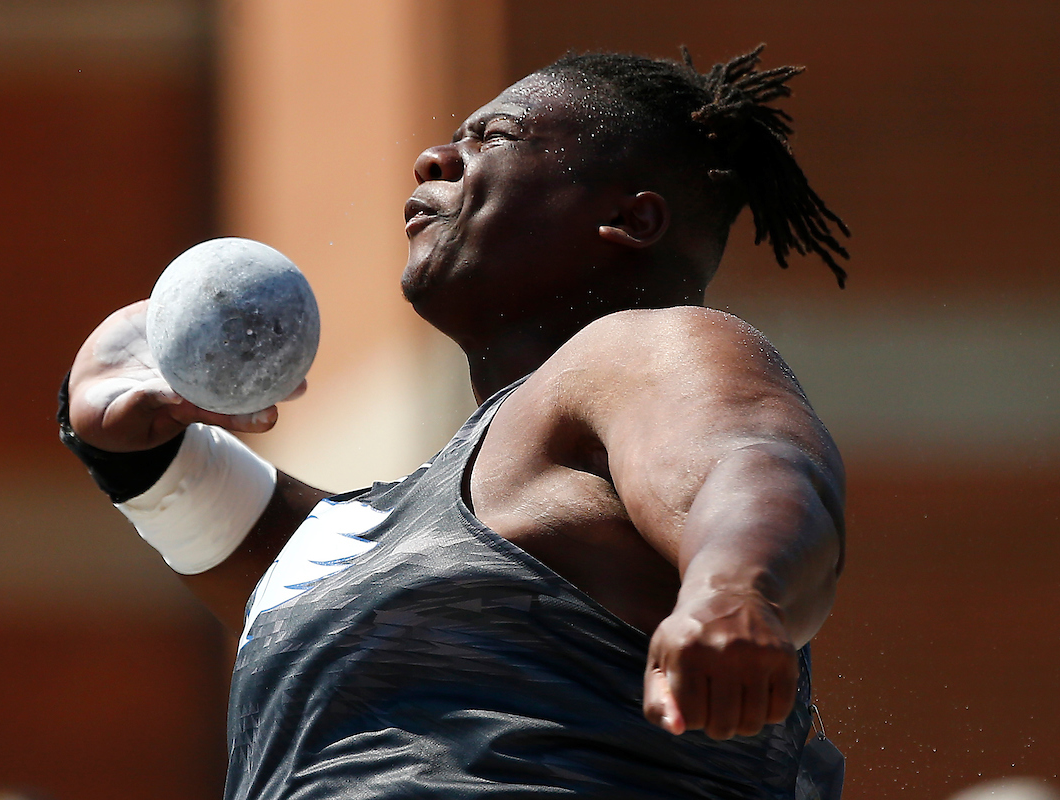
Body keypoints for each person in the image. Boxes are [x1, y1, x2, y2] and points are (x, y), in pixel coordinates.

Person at [61, 46, 849, 799]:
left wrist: (735, 592)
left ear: (632, 220)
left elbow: (751, 465)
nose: (434, 159)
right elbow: (286, 564)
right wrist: (133, 450)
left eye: (495, 137)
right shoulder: (373, 532)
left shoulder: (646, 349)